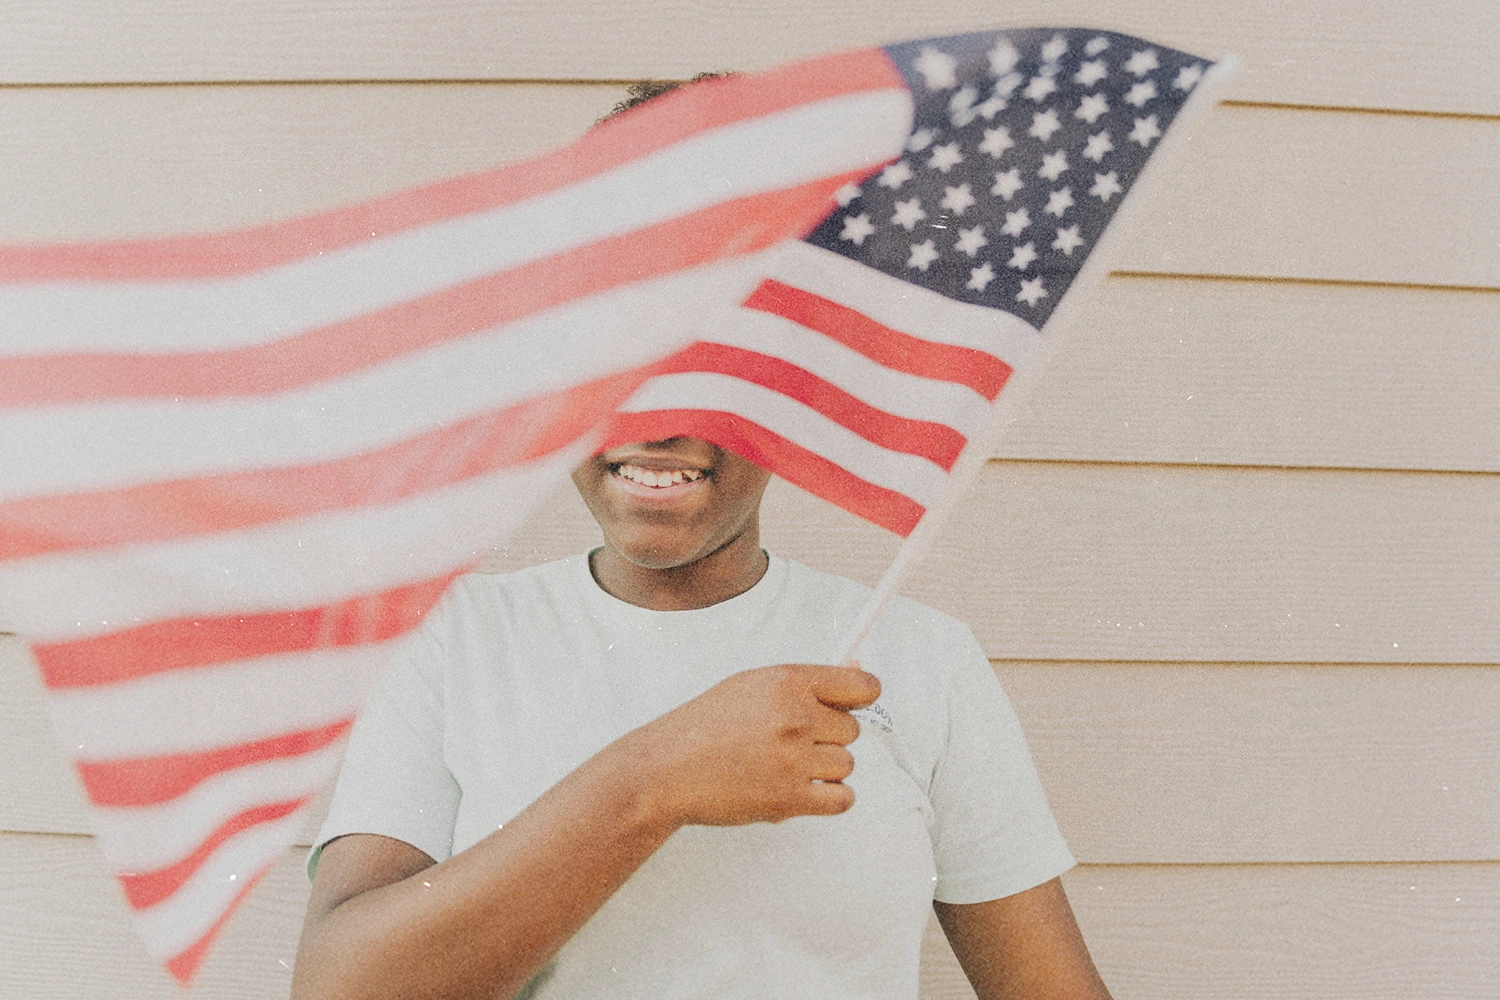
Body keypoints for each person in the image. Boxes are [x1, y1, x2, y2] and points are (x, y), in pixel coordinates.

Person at [291, 82, 1112, 1000]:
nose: (662, 416)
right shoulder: (455, 641)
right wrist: (657, 777)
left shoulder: (921, 660)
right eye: (626, 344)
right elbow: (340, 986)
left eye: (718, 351)